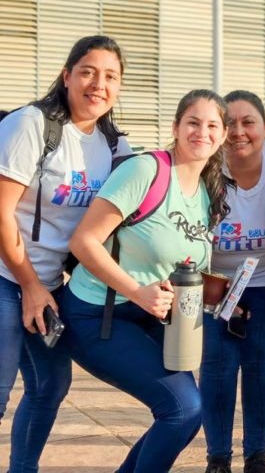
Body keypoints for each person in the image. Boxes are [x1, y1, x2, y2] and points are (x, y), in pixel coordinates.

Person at [60, 89, 229, 473]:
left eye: (212, 126)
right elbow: (83, 241)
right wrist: (137, 291)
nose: (201, 132)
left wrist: (222, 294)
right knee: (181, 410)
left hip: (153, 318)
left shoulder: (206, 192)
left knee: (186, 416)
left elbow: (180, 261)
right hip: (97, 315)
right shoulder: (145, 170)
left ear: (221, 136)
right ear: (175, 126)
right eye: (193, 122)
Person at [0, 35, 131, 473]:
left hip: (48, 284)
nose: (99, 84)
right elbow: (1, 214)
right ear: (67, 76)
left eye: (110, 76)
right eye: (89, 72)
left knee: (50, 385)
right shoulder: (30, 125)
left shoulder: (114, 147)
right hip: (7, 276)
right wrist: (31, 286)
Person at [200, 90, 265, 473]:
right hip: (215, 278)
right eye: (229, 122)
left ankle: (257, 455)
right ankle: (218, 457)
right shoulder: (205, 167)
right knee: (218, 365)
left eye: (248, 121)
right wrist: (218, 298)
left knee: (261, 363)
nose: (238, 131)